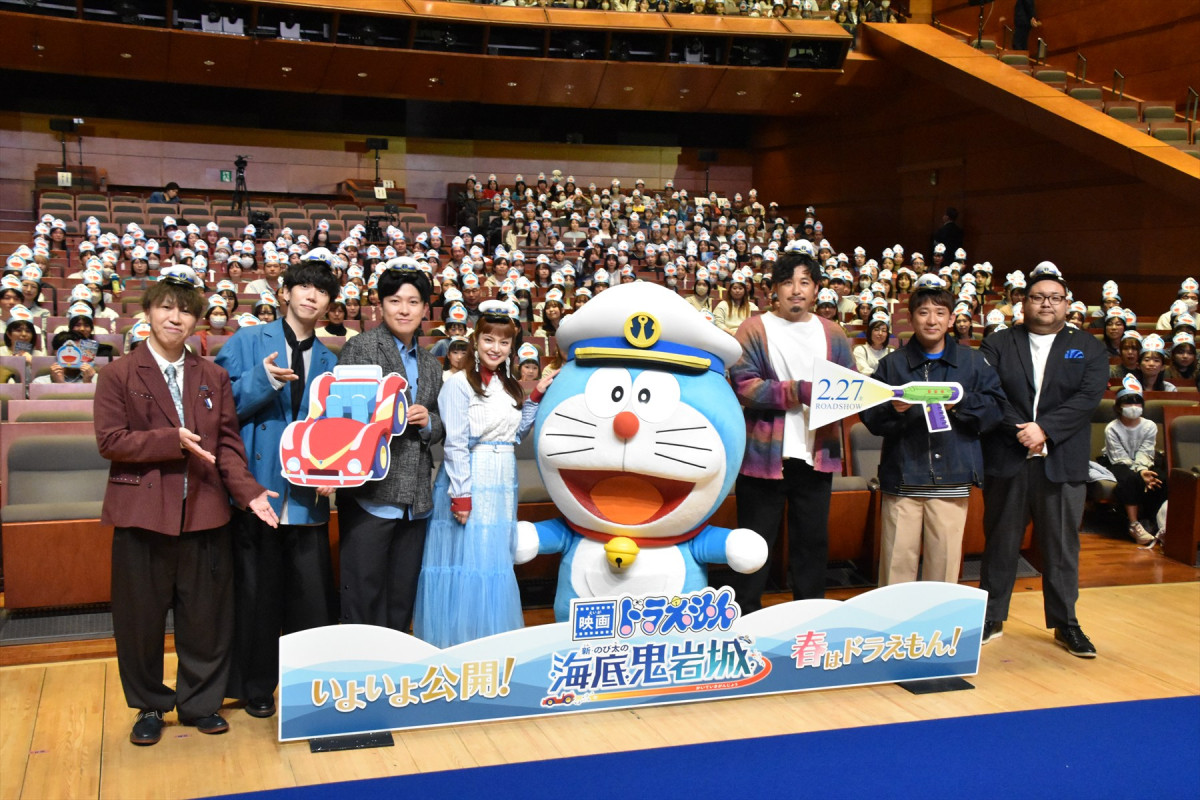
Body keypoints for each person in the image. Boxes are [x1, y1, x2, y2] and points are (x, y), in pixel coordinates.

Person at [93, 267, 279, 746]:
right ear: (149, 313)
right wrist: (169, 441)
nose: (175, 317)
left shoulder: (212, 375)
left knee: (207, 618)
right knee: (140, 620)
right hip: (142, 516)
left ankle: (200, 704)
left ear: (198, 321)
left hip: (205, 512)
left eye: (185, 310)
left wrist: (249, 491)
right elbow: (111, 441)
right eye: (166, 307)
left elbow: (229, 446)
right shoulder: (117, 373)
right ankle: (150, 706)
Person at [215, 259, 341, 720]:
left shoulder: (331, 359)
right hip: (258, 490)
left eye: (321, 291)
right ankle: (257, 685)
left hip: (307, 494)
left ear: (329, 304)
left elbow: (336, 429)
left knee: (309, 596)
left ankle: (308, 683)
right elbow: (217, 407)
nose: (311, 295)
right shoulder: (249, 341)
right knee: (257, 595)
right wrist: (262, 381)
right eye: (303, 286)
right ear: (284, 292)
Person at [978, 262, 1107, 658]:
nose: (1046, 304)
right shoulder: (999, 343)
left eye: (1054, 297)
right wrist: (1023, 430)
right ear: (1023, 302)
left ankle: (1066, 623)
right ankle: (991, 616)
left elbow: (1087, 399)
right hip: (1009, 455)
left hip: (1061, 461)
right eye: (1037, 297)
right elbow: (989, 393)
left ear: (1067, 304)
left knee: (1062, 546)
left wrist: (1045, 429)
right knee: (1001, 541)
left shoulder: (1088, 346)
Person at [413, 300, 555, 647]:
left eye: (504, 342)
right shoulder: (459, 384)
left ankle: (490, 644)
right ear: (476, 341)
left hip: (502, 478)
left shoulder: (508, 386)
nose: (496, 348)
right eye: (489, 339)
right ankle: (459, 642)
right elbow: (456, 443)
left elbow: (513, 434)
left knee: (493, 558)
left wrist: (534, 395)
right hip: (471, 477)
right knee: (468, 559)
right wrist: (461, 494)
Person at [728, 251, 855, 610]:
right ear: (774, 290)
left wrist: (840, 397)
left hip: (816, 457)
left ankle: (808, 619)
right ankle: (746, 619)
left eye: (804, 282)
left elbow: (849, 387)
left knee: (812, 545)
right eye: (787, 282)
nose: (796, 290)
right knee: (753, 547)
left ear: (816, 289)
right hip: (762, 459)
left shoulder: (834, 334)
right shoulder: (754, 328)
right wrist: (798, 390)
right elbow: (744, 386)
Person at [859, 276, 1005, 586]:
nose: (932, 319)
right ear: (910, 318)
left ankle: (938, 633)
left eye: (940, 312)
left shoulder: (973, 362)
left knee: (945, 572)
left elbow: (995, 409)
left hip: (953, 479)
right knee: (895, 572)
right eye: (923, 312)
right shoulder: (892, 365)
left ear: (952, 319)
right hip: (902, 480)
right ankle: (895, 632)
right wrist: (893, 409)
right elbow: (870, 417)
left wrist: (960, 404)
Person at [335, 258, 445, 632]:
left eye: (413, 302)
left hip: (415, 498)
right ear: (379, 306)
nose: (404, 309)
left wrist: (429, 421)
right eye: (395, 300)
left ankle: (395, 680)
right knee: (362, 595)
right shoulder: (362, 349)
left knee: (402, 598)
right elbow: (346, 419)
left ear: (425, 309)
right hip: (372, 492)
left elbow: (438, 421)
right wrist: (391, 415)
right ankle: (356, 676)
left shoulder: (431, 364)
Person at [1098, 376, 1167, 545]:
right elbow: (1118, 457)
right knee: (1129, 479)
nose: (1134, 407)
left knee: (1161, 478)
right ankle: (1134, 524)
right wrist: (1139, 473)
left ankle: (1157, 523)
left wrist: (1143, 469)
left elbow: (1146, 451)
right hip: (1117, 463)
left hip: (1143, 463)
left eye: (1137, 403)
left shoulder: (1149, 426)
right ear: (1119, 407)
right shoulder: (1112, 428)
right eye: (1128, 403)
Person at [852, 311, 894, 376]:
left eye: (883, 331)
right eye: (876, 330)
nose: (880, 333)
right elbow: (865, 371)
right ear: (870, 332)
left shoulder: (891, 352)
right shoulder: (860, 350)